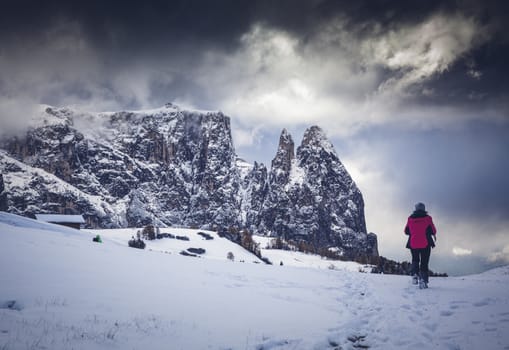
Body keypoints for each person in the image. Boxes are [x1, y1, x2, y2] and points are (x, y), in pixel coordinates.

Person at [404, 202, 437, 288]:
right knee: (424, 262)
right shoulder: (428, 218)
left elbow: (406, 231)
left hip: (413, 243)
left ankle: (414, 275)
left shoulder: (410, 218)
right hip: (425, 243)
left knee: (415, 259)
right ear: (424, 209)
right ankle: (423, 281)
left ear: (415, 209)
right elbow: (434, 231)